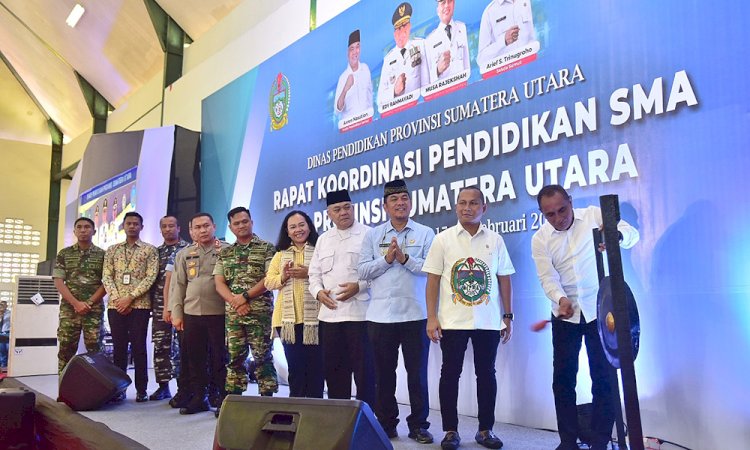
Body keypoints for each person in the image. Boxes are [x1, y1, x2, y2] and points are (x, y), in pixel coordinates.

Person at [531, 185, 639, 450]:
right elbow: (548, 277)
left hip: (599, 312)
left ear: (571, 201)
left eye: (562, 210)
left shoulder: (594, 215)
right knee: (563, 381)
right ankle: (568, 442)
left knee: (604, 378)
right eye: (550, 215)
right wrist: (561, 299)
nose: (558, 218)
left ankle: (600, 442)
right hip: (565, 315)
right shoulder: (541, 239)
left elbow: (631, 234)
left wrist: (614, 236)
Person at [423, 186, 515, 450]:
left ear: (484, 208)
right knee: (450, 374)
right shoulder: (443, 240)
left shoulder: (495, 240)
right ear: (455, 208)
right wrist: (431, 317)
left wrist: (507, 315)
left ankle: (486, 430)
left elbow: (504, 278)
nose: (467, 208)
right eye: (462, 203)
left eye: (474, 203)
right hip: (452, 320)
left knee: (487, 374)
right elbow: (432, 281)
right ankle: (450, 431)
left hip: (487, 320)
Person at [358, 180, 435, 443]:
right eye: (395, 199)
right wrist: (387, 259)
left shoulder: (426, 233)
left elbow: (430, 270)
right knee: (383, 375)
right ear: (385, 205)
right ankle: (387, 423)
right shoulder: (373, 235)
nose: (400, 202)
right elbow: (363, 271)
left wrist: (405, 259)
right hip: (380, 316)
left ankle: (419, 425)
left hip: (415, 314)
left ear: (411, 202)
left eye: (405, 198)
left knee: (417, 374)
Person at [308, 190, 375, 405]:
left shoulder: (370, 234)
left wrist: (360, 286)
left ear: (353, 208)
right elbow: (313, 275)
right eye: (337, 209)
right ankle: (338, 420)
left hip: (361, 315)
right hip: (330, 317)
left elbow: (380, 271)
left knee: (365, 372)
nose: (343, 212)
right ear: (329, 213)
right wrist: (318, 292)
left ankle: (367, 420)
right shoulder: (323, 240)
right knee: (334, 371)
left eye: (347, 207)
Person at [214, 207, 278, 413]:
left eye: (245, 221)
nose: (241, 225)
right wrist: (235, 301)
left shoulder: (267, 248)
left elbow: (269, 279)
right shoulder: (225, 252)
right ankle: (234, 402)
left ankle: (267, 401)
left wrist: (245, 297)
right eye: (237, 223)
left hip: (260, 313)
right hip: (234, 315)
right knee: (234, 358)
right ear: (231, 227)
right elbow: (219, 283)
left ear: (252, 222)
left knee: (262, 357)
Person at [171, 213, 229, 415]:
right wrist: (176, 313)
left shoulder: (227, 250)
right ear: (191, 231)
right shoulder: (184, 254)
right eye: (198, 227)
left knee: (219, 357)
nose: (203, 230)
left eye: (206, 226)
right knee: (194, 358)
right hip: (191, 312)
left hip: (219, 312)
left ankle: (222, 396)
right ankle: (199, 397)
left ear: (214, 226)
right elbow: (178, 286)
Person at [265, 210, 324, 398]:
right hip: (287, 322)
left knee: (316, 367)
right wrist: (283, 276)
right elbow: (268, 282)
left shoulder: (320, 250)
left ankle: (315, 410)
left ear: (309, 226)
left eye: (301, 225)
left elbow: (330, 277)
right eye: (293, 227)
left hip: (316, 320)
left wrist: (310, 273)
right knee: (296, 368)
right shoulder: (280, 255)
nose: (298, 230)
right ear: (287, 231)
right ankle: (296, 408)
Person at [102, 212, 159, 402]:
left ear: (141, 227)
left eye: (136, 223)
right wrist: (119, 299)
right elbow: (107, 276)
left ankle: (141, 389)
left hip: (140, 306)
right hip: (115, 306)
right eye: (129, 223)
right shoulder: (112, 250)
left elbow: (150, 277)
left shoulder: (150, 250)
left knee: (138, 348)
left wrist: (130, 297)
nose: (132, 226)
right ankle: (119, 388)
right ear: (123, 226)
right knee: (118, 348)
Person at [52, 217, 107, 375]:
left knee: (95, 350)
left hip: (93, 310)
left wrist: (88, 302)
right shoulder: (64, 254)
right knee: (66, 349)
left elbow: (106, 283)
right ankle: (65, 389)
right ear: (74, 231)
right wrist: (76, 303)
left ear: (94, 231)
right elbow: (59, 281)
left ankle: (96, 390)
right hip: (70, 310)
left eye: (87, 227)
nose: (83, 230)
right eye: (80, 227)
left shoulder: (103, 255)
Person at [150, 216, 189, 401]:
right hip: (160, 306)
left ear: (179, 228)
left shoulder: (188, 249)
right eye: (164, 226)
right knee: (161, 346)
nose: (167, 229)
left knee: (184, 346)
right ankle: (163, 386)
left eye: (171, 225)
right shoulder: (155, 253)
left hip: (184, 304)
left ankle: (184, 387)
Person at [377, 2, 428, 105]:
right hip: (400, 114)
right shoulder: (388, 59)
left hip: (420, 107)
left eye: (405, 26)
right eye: (399, 29)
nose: (402, 32)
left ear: (409, 27)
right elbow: (380, 100)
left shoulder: (421, 45)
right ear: (394, 34)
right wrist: (394, 91)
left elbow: (428, 80)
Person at [477, 0, 536, 67]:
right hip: (510, 72)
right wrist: (503, 41)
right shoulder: (489, 13)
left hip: (535, 63)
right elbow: (481, 59)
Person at [425, 0, 470, 83]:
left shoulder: (462, 28)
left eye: (449, 1)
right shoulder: (429, 41)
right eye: (442, 3)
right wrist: (438, 70)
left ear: (454, 4)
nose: (446, 5)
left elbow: (467, 63)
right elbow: (426, 80)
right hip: (444, 92)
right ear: (437, 10)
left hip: (464, 88)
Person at [334, 30, 373, 122]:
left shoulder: (365, 69)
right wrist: (345, 89)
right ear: (347, 53)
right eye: (352, 49)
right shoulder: (343, 78)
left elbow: (370, 96)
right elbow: (337, 109)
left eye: (357, 47)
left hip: (367, 125)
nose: (355, 52)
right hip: (350, 129)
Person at [0, 301, 12, 371]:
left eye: (3, 305)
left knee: (8, 350)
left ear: (6, 306)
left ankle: (8, 366)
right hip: (0, 334)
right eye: (1, 305)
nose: (2, 306)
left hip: (8, 333)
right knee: (1, 351)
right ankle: (3, 366)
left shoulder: (10, 313)